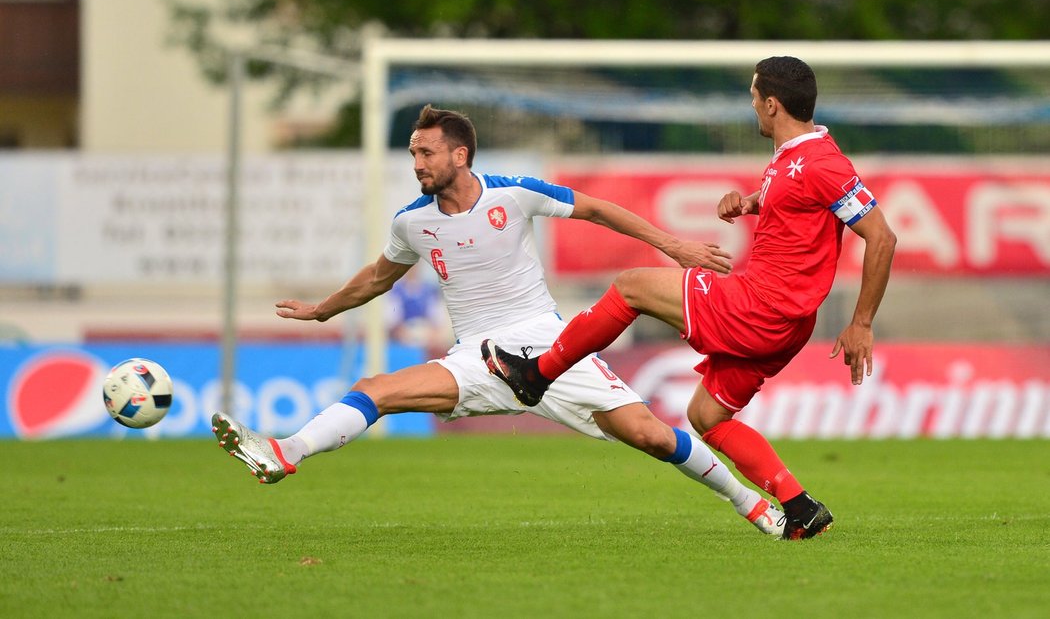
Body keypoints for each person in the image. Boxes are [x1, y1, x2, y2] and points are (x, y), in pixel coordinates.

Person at [211, 104, 786, 537]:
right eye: (412, 154)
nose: (417, 164)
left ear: (459, 155)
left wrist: (674, 246)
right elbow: (378, 277)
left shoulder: (512, 195)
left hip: (551, 347)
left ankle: (749, 503)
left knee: (653, 436)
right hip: (476, 359)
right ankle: (286, 452)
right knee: (374, 389)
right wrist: (322, 309)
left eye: (425, 153)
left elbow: (597, 209)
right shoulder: (412, 222)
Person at [482, 57, 897, 541]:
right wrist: (749, 202)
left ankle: (537, 375)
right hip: (786, 322)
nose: (751, 107)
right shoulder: (797, 156)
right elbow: (797, 197)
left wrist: (862, 322)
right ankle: (799, 506)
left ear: (772, 104)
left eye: (753, 98)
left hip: (759, 306)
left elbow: (882, 237)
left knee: (632, 285)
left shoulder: (824, 162)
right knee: (706, 417)